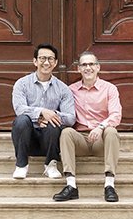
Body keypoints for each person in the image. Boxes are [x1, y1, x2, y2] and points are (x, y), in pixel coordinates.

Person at [52, 50, 122, 203]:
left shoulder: (109, 88)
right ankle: (71, 186)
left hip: (101, 140)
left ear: (98, 67)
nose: (87, 68)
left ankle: (109, 185)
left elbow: (116, 115)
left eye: (91, 64)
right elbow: (63, 113)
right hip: (81, 140)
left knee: (111, 130)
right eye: (84, 64)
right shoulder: (71, 90)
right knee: (66, 132)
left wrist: (100, 127)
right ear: (78, 69)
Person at [11, 43, 75, 180]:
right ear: (35, 61)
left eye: (50, 59)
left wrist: (52, 114)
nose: (46, 62)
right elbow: (19, 109)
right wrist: (41, 112)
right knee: (21, 120)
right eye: (42, 58)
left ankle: (51, 165)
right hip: (27, 137)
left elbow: (70, 118)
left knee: (53, 121)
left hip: (50, 138)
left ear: (55, 62)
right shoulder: (22, 84)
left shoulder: (63, 89)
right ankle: (21, 165)